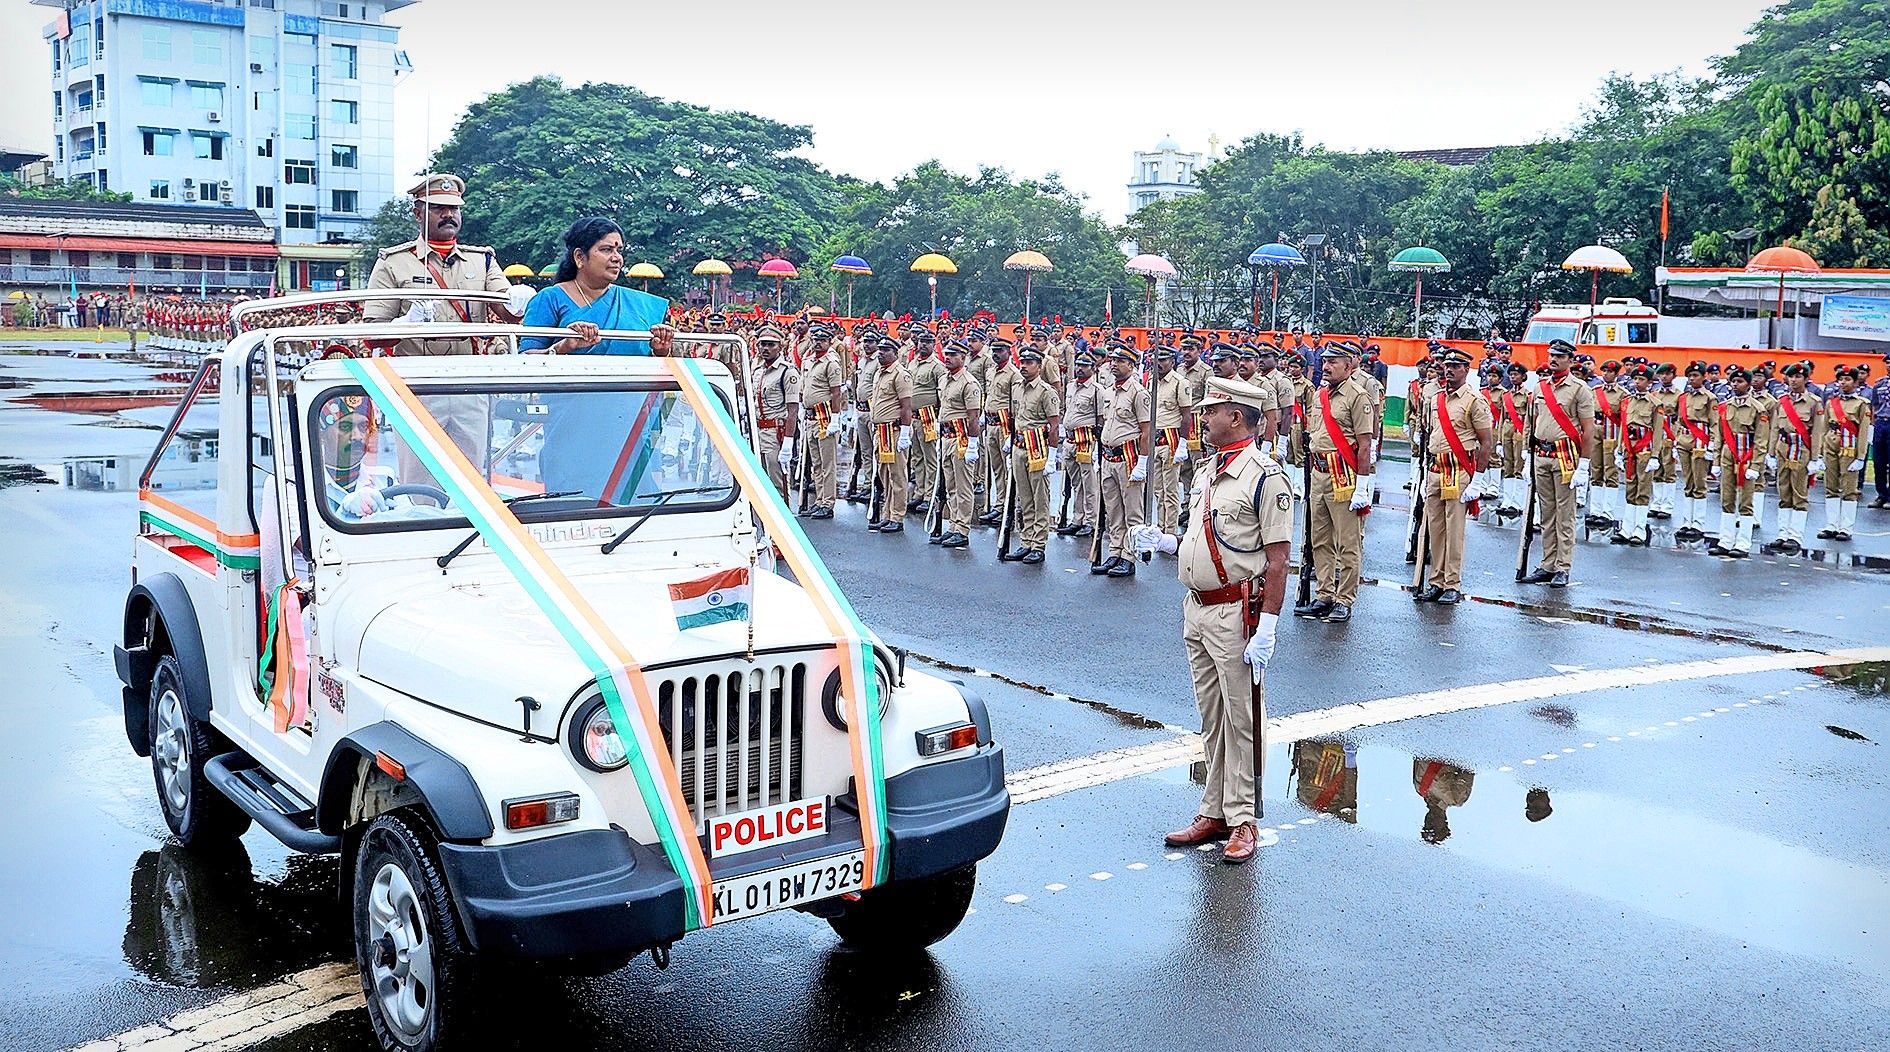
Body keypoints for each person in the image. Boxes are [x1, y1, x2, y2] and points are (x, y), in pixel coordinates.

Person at [1132, 375, 1291, 864]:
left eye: (1210, 411)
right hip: (1197, 607)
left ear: (1236, 417)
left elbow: (1279, 558)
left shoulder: (1266, 476)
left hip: (1237, 611)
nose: (1202, 418)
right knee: (1213, 718)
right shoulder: (1207, 471)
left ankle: (1244, 819)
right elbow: (1207, 541)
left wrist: (1268, 625)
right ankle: (1215, 809)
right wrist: (1166, 544)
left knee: (1242, 718)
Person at [364, 174, 532, 354]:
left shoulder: (482, 260)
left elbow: (508, 313)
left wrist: (518, 301)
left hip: (470, 372)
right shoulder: (393, 262)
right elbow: (372, 336)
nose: (448, 214)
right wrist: (406, 323)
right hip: (413, 373)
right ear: (418, 214)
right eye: (438, 208)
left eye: (454, 208)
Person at [1295, 341, 1376, 622]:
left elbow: (1365, 444)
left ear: (1349, 365)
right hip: (1318, 473)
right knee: (1320, 539)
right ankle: (1325, 594)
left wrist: (1363, 485)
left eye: (1334, 362)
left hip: (1344, 475)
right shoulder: (1320, 394)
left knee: (1347, 542)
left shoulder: (1358, 396)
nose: (1326, 366)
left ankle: (1345, 599)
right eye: (1325, 361)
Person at [1414, 347, 1493, 603]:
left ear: (1466, 370)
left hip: (1459, 472)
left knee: (1454, 530)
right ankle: (1436, 581)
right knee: (1434, 529)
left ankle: (1452, 583)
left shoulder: (1474, 400)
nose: (1449, 370)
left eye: (1455, 366)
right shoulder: (1436, 398)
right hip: (1436, 469)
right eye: (1447, 366)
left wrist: (1478, 480)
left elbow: (1486, 442)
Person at [1520, 340, 1597, 587]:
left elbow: (1588, 429)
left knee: (1565, 514)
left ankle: (1563, 566)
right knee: (1546, 513)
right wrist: (1526, 454)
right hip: (1541, 455)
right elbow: (1531, 424)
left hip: (1565, 456)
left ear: (1570, 360)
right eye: (1551, 355)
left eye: (1560, 356)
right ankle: (1547, 563)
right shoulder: (1540, 386)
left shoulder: (1580, 389)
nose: (1553, 359)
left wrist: (1583, 464)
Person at [1094, 344, 1153, 578]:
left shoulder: (1139, 393)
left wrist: (1143, 462)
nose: (1114, 364)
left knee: (1132, 512)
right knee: (1113, 510)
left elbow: (1146, 430)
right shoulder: (1109, 392)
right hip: (1109, 456)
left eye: (1121, 361)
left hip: (1128, 456)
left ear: (1131, 365)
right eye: (1113, 361)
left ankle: (1129, 556)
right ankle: (1115, 551)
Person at [1001, 346, 1062, 563]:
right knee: (1024, 498)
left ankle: (1039, 544)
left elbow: (1054, 425)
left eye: (1029, 363)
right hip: (1019, 446)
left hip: (1038, 448)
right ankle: (1026, 541)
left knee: (1040, 499)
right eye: (1023, 362)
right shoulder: (1016, 387)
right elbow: (1015, 417)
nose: (1024, 366)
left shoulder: (1047, 391)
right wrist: (1010, 439)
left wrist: (1052, 455)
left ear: (1039, 366)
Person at [1707, 368, 1769, 558]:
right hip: (1728, 454)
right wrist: (1715, 461)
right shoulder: (1724, 407)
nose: (1735, 385)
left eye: (1740, 381)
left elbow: (1760, 440)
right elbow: (1719, 436)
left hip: (1747, 456)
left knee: (1746, 501)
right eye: (1733, 381)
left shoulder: (1758, 408)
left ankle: (1743, 543)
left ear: (1748, 384)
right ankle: (1725, 541)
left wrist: (1756, 465)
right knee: (1727, 498)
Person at [1764, 363, 1822, 554]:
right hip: (1783, 448)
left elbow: (1817, 432)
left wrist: (1815, 458)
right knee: (1783, 491)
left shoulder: (1814, 402)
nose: (1794, 380)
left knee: (1799, 494)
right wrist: (1770, 453)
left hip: (1802, 450)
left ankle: (1795, 536)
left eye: (1798, 377)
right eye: (1791, 377)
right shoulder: (1781, 402)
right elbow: (1774, 428)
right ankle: (1783, 534)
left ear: (1806, 379)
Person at [934, 339, 983, 550]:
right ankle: (953, 525)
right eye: (947, 354)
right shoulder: (945, 379)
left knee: (963, 486)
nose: (948, 357)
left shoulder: (969, 383)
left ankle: (962, 529)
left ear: (963, 358)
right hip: (946, 437)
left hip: (962, 437)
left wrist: (973, 444)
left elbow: (973, 417)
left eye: (953, 355)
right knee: (951, 485)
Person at [865, 336, 915, 532]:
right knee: (884, 475)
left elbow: (906, 406)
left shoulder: (901, 375)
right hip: (881, 431)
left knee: (898, 475)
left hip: (894, 431)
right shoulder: (880, 373)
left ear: (895, 353)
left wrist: (904, 433)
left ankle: (898, 516)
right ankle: (888, 513)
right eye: (881, 349)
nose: (881, 352)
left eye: (886, 350)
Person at [798, 325, 846, 519]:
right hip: (810, 416)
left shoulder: (831, 362)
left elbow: (836, 393)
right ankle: (819, 499)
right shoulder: (808, 360)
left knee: (827, 462)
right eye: (815, 339)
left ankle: (828, 502)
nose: (818, 343)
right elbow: (804, 385)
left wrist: (835, 418)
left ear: (829, 342)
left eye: (822, 340)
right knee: (816, 462)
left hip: (825, 416)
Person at [1820, 367, 1872, 540]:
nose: (1843, 383)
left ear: (1856, 382)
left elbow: (1864, 431)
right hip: (1831, 444)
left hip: (1849, 447)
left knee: (1849, 488)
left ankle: (1846, 528)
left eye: (1847, 379)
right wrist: (1820, 451)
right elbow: (1825, 427)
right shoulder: (1831, 402)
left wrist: (1860, 457)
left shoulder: (1861, 403)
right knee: (1831, 486)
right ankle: (1831, 525)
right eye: (1841, 379)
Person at [752, 326, 802, 497]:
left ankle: (782, 520)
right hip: (758, 430)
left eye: (771, 345)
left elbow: (793, 409)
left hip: (776, 432)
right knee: (760, 482)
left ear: (780, 347)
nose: (765, 348)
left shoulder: (787, 371)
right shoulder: (758, 370)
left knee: (777, 483)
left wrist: (788, 442)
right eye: (762, 344)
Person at [1613, 367, 1660, 546]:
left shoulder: (1655, 404)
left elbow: (1657, 431)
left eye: (1642, 379)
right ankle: (1627, 529)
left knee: (1643, 490)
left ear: (1649, 382)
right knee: (1630, 489)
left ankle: (1639, 530)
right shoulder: (1626, 402)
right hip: (1629, 450)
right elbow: (1623, 428)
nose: (1637, 382)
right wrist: (1619, 450)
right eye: (1636, 379)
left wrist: (1655, 455)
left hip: (1644, 450)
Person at [1057, 351, 1101, 538]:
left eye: (1085, 366)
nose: (1080, 369)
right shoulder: (1070, 386)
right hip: (1070, 440)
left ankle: (1091, 521)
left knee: (1089, 484)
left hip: (1087, 440)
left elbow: (1101, 420)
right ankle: (1078, 519)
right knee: (1076, 484)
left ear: (1093, 368)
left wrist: (1098, 447)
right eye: (1078, 365)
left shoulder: (1097, 390)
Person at [1150, 348, 1192, 534]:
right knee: (1158, 489)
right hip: (1155, 439)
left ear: (1172, 362)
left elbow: (1186, 416)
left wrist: (1183, 443)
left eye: (1164, 359)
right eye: (1156, 359)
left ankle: (1170, 530)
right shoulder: (1152, 381)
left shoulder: (1180, 383)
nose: (1159, 363)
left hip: (1171, 439)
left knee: (1171, 489)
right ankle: (1160, 526)